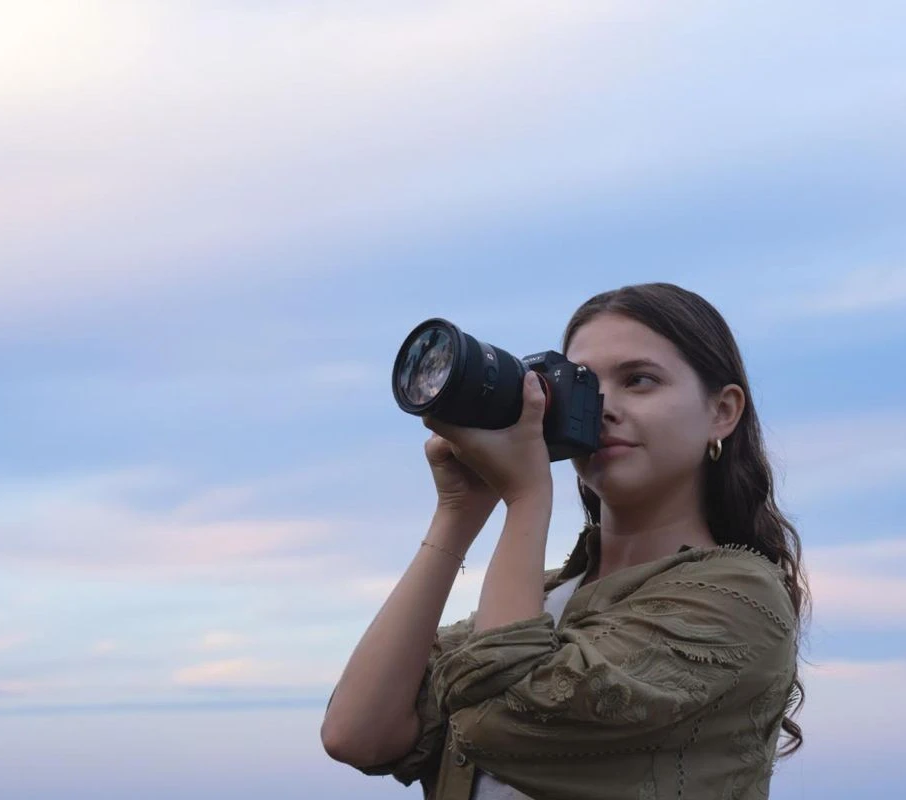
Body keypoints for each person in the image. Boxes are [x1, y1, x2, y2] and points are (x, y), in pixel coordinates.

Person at [322, 283, 809, 800]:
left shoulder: (741, 597)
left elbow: (500, 719)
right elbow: (356, 734)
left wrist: (527, 498)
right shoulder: (542, 597)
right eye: (584, 384)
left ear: (723, 411)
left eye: (639, 380)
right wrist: (457, 515)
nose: (604, 407)